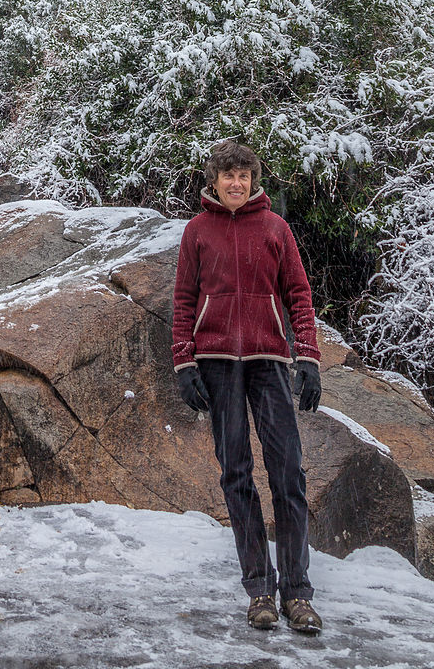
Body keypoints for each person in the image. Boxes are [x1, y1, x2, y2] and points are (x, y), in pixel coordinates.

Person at [171, 139, 323, 634]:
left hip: (269, 362)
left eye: (244, 176)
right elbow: (184, 301)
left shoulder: (275, 228)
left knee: (288, 476)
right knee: (236, 475)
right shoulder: (197, 231)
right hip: (216, 365)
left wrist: (310, 358)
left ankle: (297, 593)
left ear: (253, 181)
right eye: (227, 175)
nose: (236, 184)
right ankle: (260, 588)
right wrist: (184, 363)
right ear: (213, 180)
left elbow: (298, 294)